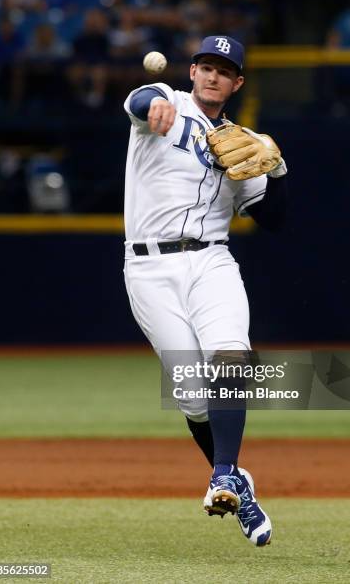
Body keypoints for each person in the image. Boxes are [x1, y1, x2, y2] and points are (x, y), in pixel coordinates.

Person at [122, 35, 288, 546]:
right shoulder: (166, 102)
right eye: (206, 66)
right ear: (192, 72)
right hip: (149, 267)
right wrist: (152, 108)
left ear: (237, 83)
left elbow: (274, 220)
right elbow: (137, 101)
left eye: (224, 69)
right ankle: (238, 481)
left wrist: (277, 169)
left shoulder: (247, 140)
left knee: (230, 354)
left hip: (212, 258)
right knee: (192, 397)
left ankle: (222, 475)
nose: (213, 75)